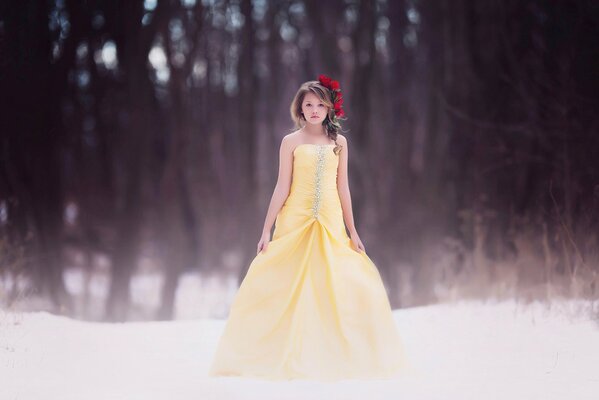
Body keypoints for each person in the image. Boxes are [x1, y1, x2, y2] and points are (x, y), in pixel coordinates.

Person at [208, 75, 415, 381]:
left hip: (330, 219)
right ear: (300, 109)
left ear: (330, 108)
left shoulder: (339, 142)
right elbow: (281, 187)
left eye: (321, 104)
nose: (315, 109)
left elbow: (343, 187)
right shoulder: (290, 142)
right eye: (309, 104)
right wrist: (265, 230)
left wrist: (353, 230)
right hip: (296, 218)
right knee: (288, 282)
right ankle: (279, 351)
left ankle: (338, 353)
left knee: (339, 281)